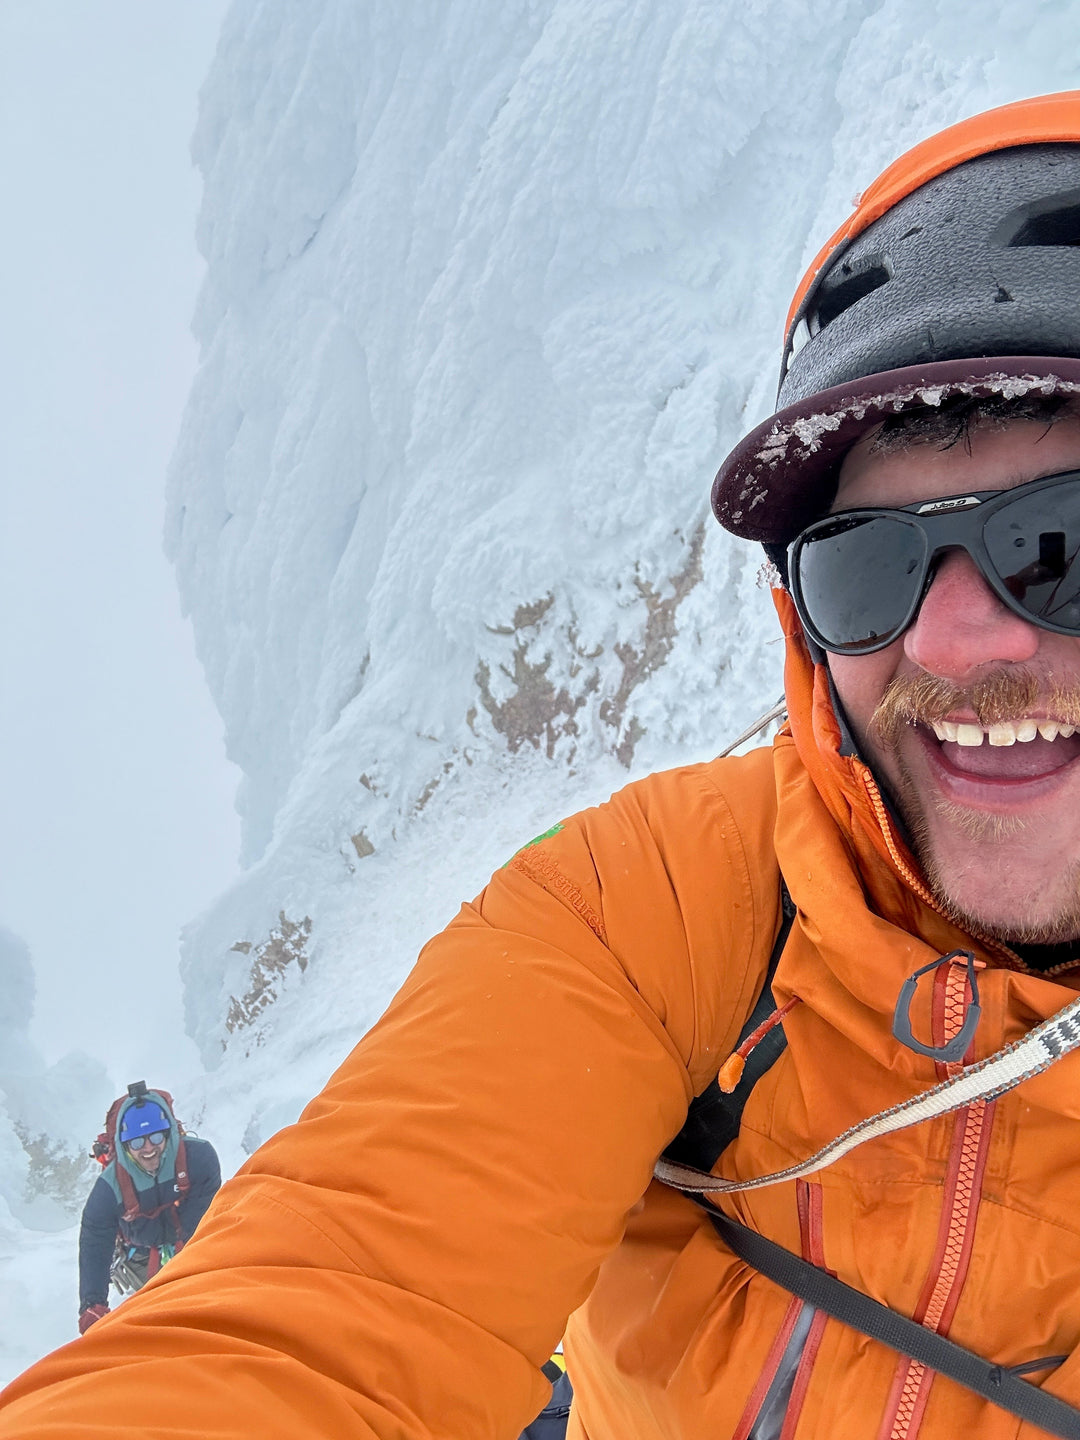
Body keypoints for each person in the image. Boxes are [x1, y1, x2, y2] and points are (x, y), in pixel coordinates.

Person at [4, 89, 1080, 1440]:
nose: (953, 632)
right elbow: (329, 1303)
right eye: (870, 566)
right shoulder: (668, 907)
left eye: (1060, 543)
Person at [76, 1084, 221, 1335]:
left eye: (156, 1137)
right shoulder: (111, 1186)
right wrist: (93, 1303)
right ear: (124, 1146)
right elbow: (95, 1238)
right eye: (137, 1142)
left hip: (194, 1248)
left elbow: (204, 1220)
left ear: (168, 1134)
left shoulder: (198, 1158)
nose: (148, 1148)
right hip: (141, 1257)